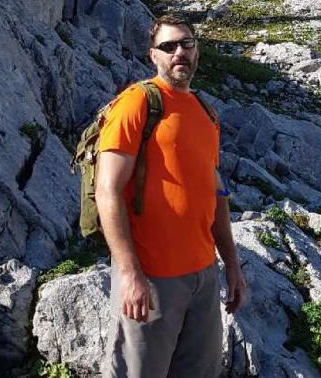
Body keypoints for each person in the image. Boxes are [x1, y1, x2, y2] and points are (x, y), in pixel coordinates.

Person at [96, 13, 246, 378]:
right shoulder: (137, 104)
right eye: (169, 46)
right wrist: (130, 275)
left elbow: (216, 195)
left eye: (187, 43)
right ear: (153, 56)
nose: (180, 52)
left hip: (203, 277)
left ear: (197, 50)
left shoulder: (206, 113)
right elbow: (107, 191)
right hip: (152, 278)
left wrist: (232, 265)